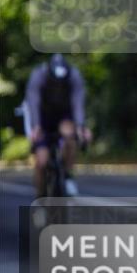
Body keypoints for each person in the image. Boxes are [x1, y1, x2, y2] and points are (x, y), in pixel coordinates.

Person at [25, 53, 90, 197]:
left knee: (70, 135)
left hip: (63, 115)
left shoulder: (74, 76)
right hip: (42, 116)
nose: (58, 86)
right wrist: (35, 126)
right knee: (41, 162)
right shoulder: (38, 75)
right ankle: (40, 196)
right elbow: (33, 102)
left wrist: (80, 127)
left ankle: (67, 175)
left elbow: (78, 104)